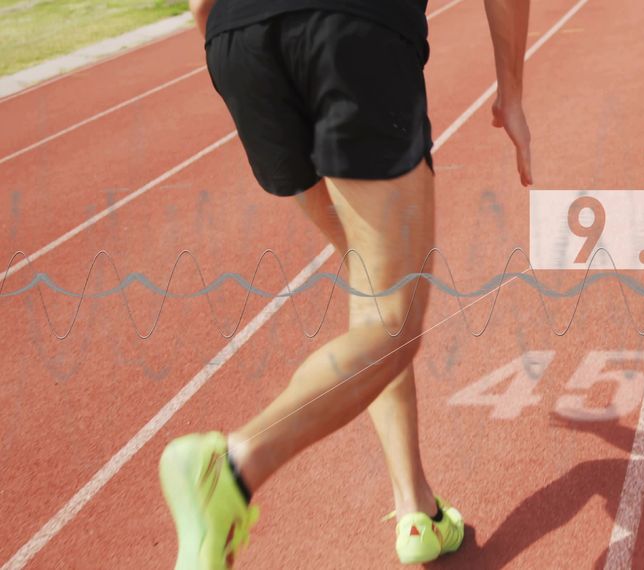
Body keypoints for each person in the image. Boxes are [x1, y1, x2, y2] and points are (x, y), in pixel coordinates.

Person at [159, 0, 533, 566]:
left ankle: (416, 508)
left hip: (240, 41)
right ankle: (233, 466)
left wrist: (230, 45)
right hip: (348, 28)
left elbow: (197, 6)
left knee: (373, 289)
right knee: (393, 319)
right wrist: (512, 93)